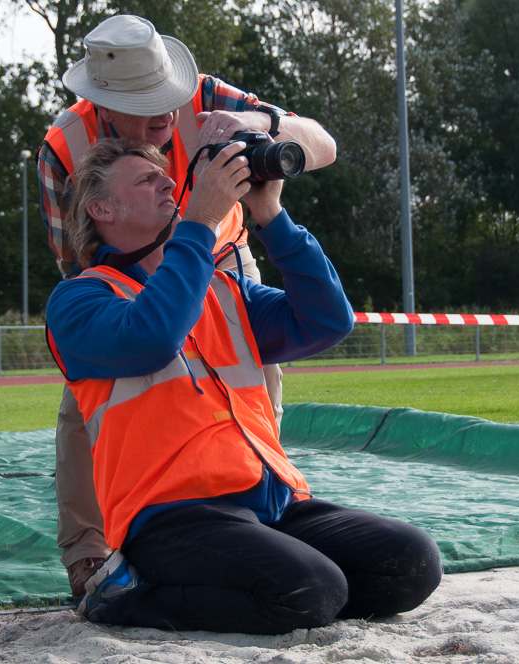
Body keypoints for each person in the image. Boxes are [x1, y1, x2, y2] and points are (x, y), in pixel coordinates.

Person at [44, 137, 442, 634]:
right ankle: (125, 599)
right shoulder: (78, 301)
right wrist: (200, 223)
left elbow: (326, 320)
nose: (169, 182)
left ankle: (269, 589)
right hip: (171, 517)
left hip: (272, 499)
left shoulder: (223, 289)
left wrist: (271, 213)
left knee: (412, 561)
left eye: (164, 174)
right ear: (101, 208)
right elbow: (154, 335)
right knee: (312, 588)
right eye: (147, 180)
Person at [37, 14, 338, 598]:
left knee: (254, 382)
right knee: (88, 400)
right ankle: (89, 555)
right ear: (102, 103)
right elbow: (82, 268)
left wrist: (257, 122)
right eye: (146, 101)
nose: (167, 112)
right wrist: (151, 293)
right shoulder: (64, 148)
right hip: (127, 274)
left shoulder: (206, 95)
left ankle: (252, 504)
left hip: (224, 264)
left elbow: (322, 145)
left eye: (169, 94)